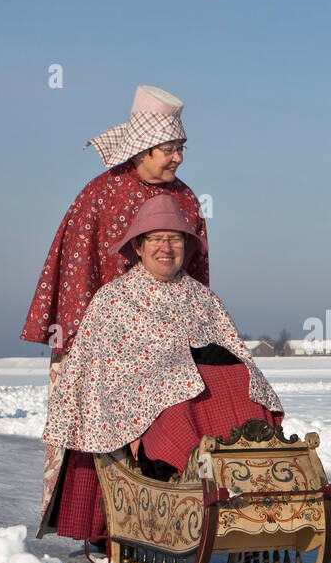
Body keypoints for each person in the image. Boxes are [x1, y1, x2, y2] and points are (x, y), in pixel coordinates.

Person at [42, 197, 282, 543]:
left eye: (175, 239)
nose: (166, 248)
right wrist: (174, 370)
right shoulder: (114, 299)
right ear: (139, 247)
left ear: (186, 246)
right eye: (156, 238)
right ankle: (185, 483)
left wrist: (209, 363)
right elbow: (100, 372)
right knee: (179, 397)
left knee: (242, 380)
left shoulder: (203, 299)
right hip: (135, 405)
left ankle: (251, 483)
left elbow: (233, 351)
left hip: (203, 397)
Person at [22, 85, 208, 523]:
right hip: (107, 340)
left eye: (181, 149)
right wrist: (80, 344)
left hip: (168, 341)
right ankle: (103, 525)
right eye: (170, 149)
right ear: (143, 148)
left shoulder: (185, 199)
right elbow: (75, 271)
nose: (178, 158)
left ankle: (173, 512)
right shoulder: (99, 194)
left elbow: (196, 273)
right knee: (103, 428)